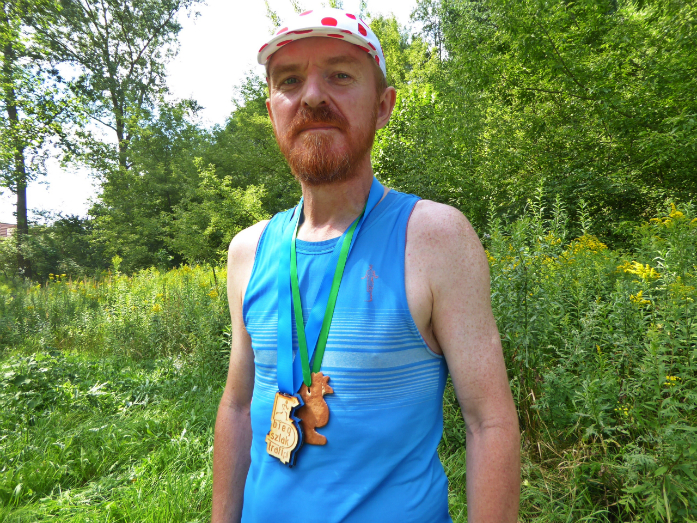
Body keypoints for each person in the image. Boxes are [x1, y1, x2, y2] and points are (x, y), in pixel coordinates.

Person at [211, 8, 519, 523]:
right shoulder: (248, 250)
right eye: (290, 81)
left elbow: (489, 422)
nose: (312, 96)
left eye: (339, 74)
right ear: (272, 111)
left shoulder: (435, 239)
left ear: (382, 106)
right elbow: (238, 407)